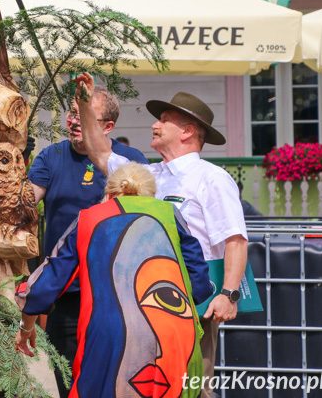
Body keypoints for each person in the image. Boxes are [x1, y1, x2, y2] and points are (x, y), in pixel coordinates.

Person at [74, 73, 248, 398]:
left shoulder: (212, 178)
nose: (155, 125)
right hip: (142, 301)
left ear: (187, 131)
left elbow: (235, 240)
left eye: (164, 120)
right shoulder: (147, 174)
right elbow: (98, 152)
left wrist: (230, 294)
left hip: (196, 302)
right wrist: (85, 103)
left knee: (193, 387)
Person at [15, 163, 214, 398]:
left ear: (108, 193)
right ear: (150, 196)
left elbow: (47, 283)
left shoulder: (88, 218)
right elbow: (199, 286)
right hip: (175, 332)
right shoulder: (170, 213)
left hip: (110, 334)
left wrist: (26, 327)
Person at [26, 85, 148, 398]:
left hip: (115, 290)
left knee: (111, 377)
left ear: (107, 126)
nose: (75, 121)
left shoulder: (129, 161)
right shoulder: (51, 156)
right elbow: (25, 201)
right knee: (65, 376)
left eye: (85, 116)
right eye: (72, 113)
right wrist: (13, 162)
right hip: (65, 290)